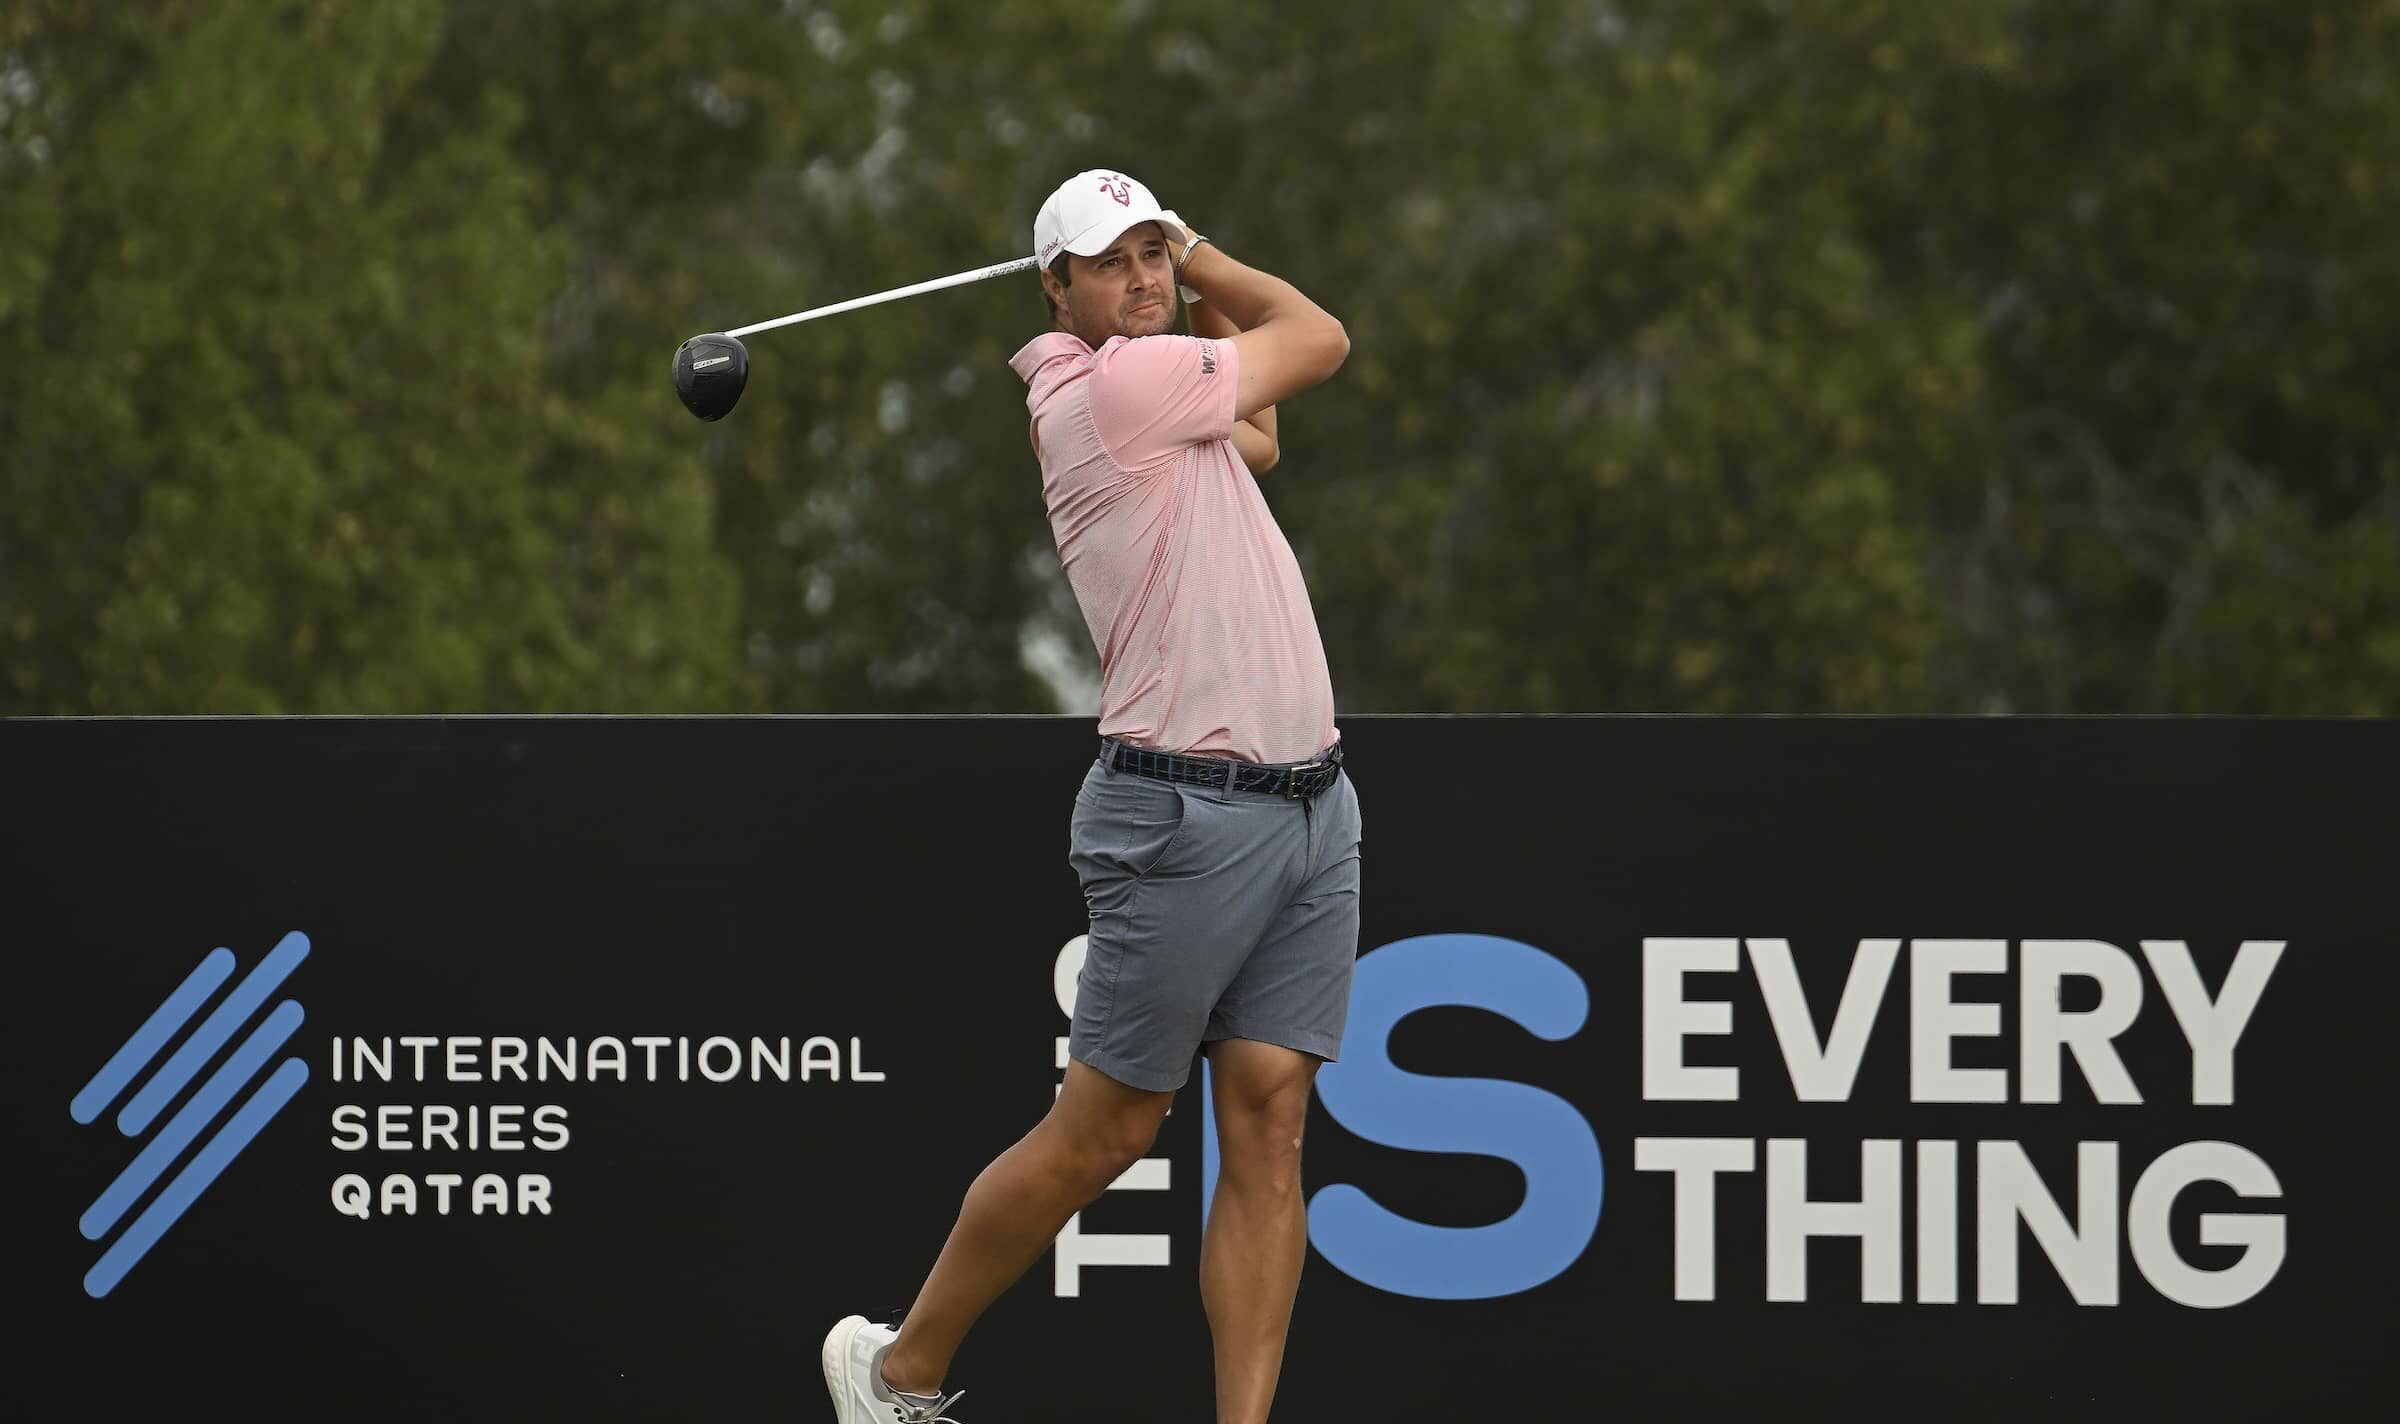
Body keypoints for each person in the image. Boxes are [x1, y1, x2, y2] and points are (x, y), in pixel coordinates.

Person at [818, 168, 1362, 1424]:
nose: (1144, 278)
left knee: (1270, 1119)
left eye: (1151, 256)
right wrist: (1211, 253)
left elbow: (1264, 433)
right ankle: (895, 1368)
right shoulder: (1115, 385)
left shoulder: (1158, 391)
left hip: (1307, 804)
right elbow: (1320, 339)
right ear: (1053, 287)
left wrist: (1191, 292)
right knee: (1107, 1131)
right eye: (1113, 260)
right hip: (1186, 813)